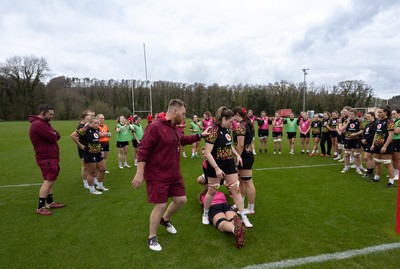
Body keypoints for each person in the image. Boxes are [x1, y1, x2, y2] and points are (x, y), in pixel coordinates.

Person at [132, 99, 209, 252]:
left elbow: (182, 140)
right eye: (183, 114)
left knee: (181, 200)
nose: (185, 117)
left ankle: (165, 220)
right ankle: (151, 238)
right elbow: (143, 150)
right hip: (157, 175)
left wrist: (200, 135)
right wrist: (140, 173)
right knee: (160, 205)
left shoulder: (174, 128)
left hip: (174, 174)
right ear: (174, 111)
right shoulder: (154, 127)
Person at [201, 106, 253, 229]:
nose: (232, 124)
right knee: (213, 189)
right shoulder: (213, 131)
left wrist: (236, 155)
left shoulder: (227, 130)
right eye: (230, 121)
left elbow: (229, 146)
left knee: (235, 189)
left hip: (228, 162)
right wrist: (217, 168)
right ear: (223, 119)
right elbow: (208, 153)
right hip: (215, 163)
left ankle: (244, 216)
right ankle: (206, 213)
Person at [29, 104, 65, 216]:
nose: (52, 116)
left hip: (51, 156)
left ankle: (50, 202)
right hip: (45, 157)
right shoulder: (38, 124)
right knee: (48, 180)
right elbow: (53, 137)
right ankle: (40, 207)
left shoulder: (45, 124)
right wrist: (54, 134)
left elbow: (57, 135)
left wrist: (54, 133)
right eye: (50, 114)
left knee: (52, 179)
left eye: (53, 114)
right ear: (42, 113)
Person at [71, 117, 109, 194]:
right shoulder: (85, 129)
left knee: (103, 169)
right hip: (89, 153)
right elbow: (73, 135)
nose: (97, 124)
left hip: (98, 153)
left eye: (98, 123)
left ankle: (100, 185)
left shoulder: (97, 129)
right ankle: (92, 190)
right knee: (91, 172)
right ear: (90, 123)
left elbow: (96, 137)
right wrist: (80, 145)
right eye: (95, 123)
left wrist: (105, 135)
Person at [232, 106, 256, 215]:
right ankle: (240, 203)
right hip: (246, 154)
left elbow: (240, 145)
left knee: (248, 182)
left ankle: (250, 208)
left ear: (237, 114)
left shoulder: (241, 125)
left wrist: (237, 158)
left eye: (233, 115)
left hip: (244, 157)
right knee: (240, 181)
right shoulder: (247, 123)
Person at [370, 106, 395, 187]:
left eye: (381, 112)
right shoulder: (378, 121)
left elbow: (391, 135)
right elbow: (376, 134)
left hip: (385, 146)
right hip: (377, 145)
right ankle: (376, 177)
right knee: (377, 162)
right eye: (378, 112)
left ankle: (391, 181)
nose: (379, 114)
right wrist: (373, 144)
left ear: (386, 112)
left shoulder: (389, 121)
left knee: (387, 164)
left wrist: (385, 146)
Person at [340, 108, 364, 174]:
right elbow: (342, 129)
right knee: (347, 154)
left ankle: (358, 168)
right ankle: (346, 167)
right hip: (347, 140)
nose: (350, 115)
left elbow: (362, 130)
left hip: (356, 140)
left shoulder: (359, 121)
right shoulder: (346, 121)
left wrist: (355, 134)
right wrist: (347, 122)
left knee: (356, 155)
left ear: (355, 115)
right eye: (349, 114)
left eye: (352, 114)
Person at [76, 109, 95, 189]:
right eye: (89, 115)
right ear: (84, 117)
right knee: (85, 166)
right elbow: (75, 137)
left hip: (89, 148)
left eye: (91, 115)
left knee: (89, 166)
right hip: (83, 148)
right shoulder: (81, 126)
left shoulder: (88, 125)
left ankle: (90, 181)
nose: (91, 117)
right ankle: (85, 183)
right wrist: (80, 145)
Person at [361, 112, 377, 179]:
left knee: (366, 157)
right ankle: (370, 171)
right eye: (366, 117)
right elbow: (364, 133)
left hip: (370, 142)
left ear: (373, 116)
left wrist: (366, 140)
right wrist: (362, 139)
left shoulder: (375, 124)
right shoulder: (367, 124)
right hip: (365, 142)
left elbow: (373, 134)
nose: (367, 118)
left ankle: (369, 172)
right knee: (369, 158)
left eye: (368, 116)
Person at [391, 109, 400, 180]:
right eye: (392, 114)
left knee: (398, 158)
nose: (393, 115)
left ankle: (398, 174)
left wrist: (390, 129)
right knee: (393, 158)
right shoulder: (394, 121)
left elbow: (397, 131)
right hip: (393, 140)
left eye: (394, 114)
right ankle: (395, 172)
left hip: (398, 140)